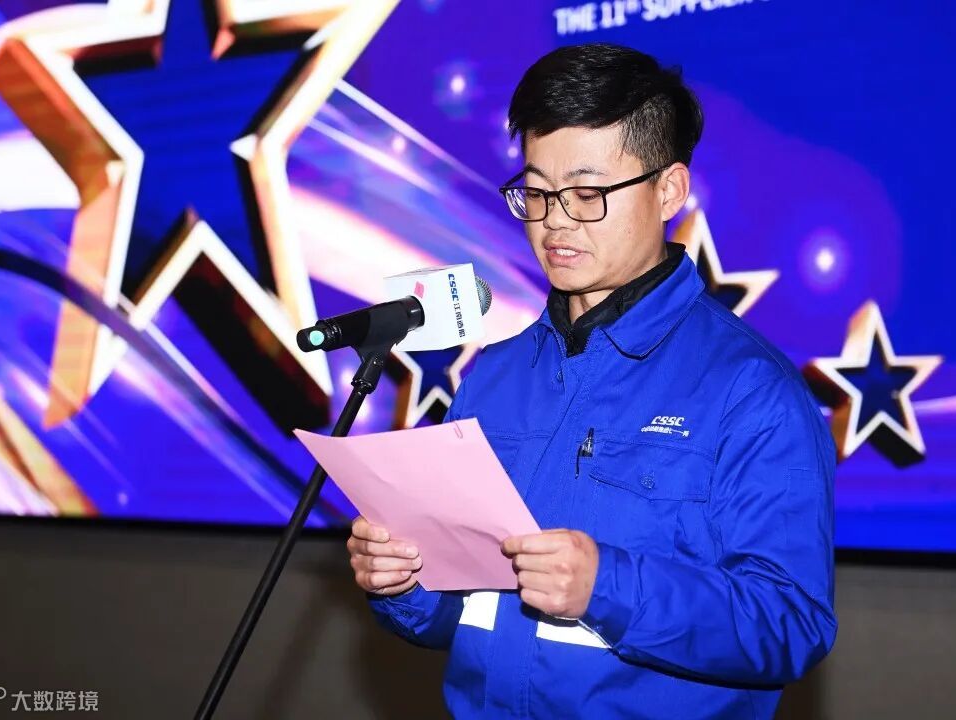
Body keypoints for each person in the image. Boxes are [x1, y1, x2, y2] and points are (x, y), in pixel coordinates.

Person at [346, 43, 837, 719]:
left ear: (669, 190)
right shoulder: (493, 375)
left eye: (587, 194)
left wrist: (607, 585)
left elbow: (791, 624)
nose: (555, 220)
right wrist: (404, 583)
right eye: (537, 192)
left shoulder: (751, 391)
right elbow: (460, 614)